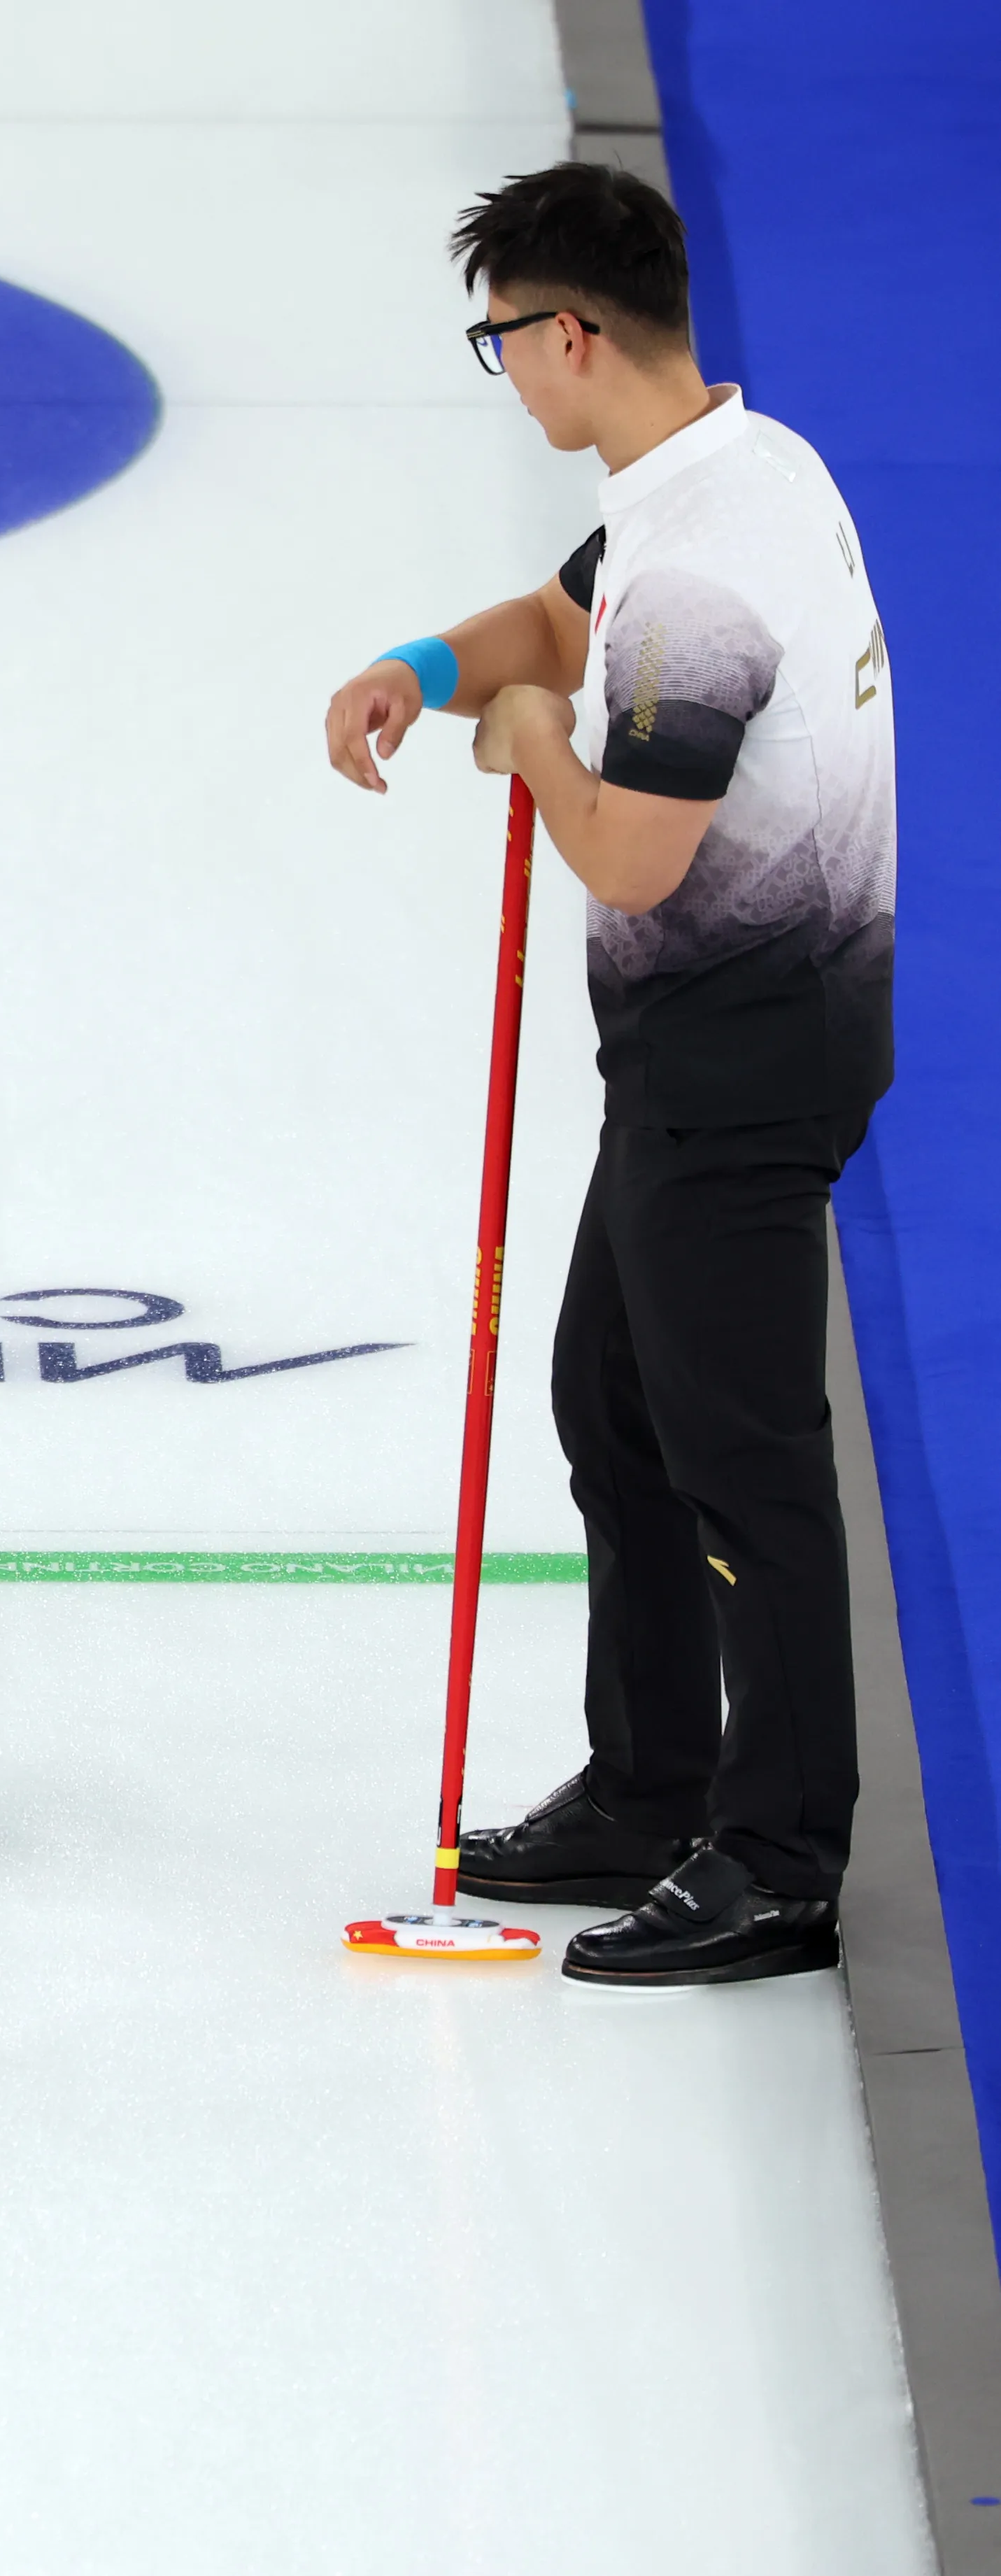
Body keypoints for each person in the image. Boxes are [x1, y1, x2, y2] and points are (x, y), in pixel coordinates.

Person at [322, 164, 895, 1986]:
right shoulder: (721, 472)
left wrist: (530, 745)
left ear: (565, 334)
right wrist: (427, 666)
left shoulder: (706, 565)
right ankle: (654, 1783)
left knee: (736, 1458)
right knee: (612, 1403)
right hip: (706, 1047)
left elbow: (633, 850)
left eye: (497, 341)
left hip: (740, 1053)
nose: (502, 372)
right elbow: (558, 621)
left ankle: (778, 1853)